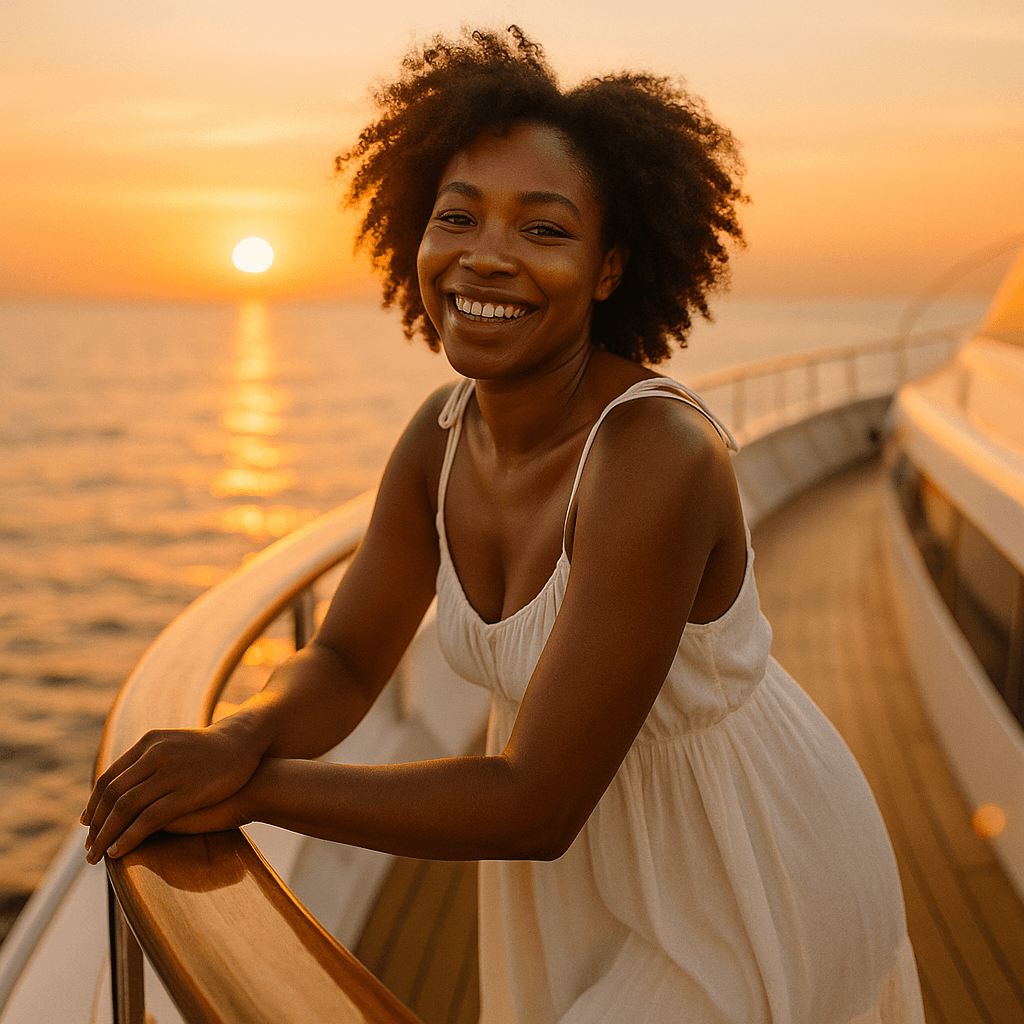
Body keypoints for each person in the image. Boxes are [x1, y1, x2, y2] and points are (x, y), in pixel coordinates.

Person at [83, 27, 925, 1024]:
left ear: (609, 270)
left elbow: (535, 801)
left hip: (749, 861)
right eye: (458, 217)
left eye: (543, 229)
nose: (486, 255)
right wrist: (245, 732)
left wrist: (256, 789)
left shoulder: (655, 455)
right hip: (578, 881)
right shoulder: (439, 439)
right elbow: (351, 658)